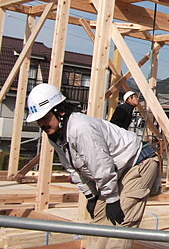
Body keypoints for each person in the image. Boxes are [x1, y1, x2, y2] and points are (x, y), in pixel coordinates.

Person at [27, 84, 159, 249]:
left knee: (122, 221)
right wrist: (91, 196)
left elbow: (101, 164)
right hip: (118, 169)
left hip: (138, 163)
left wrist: (111, 199)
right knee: (99, 219)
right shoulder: (56, 136)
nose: (41, 124)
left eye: (44, 118)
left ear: (60, 111)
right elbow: (73, 169)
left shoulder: (80, 128)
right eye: (38, 120)